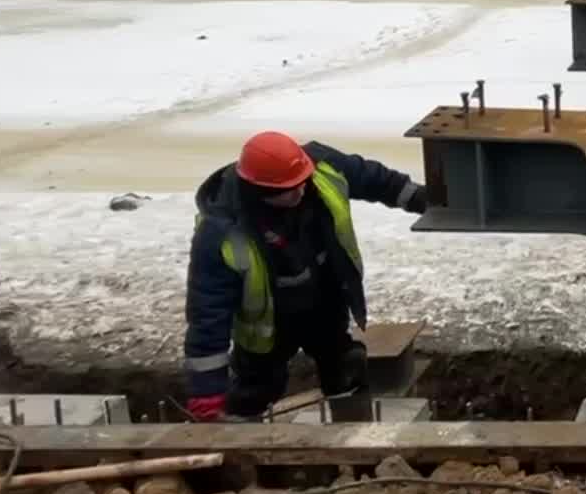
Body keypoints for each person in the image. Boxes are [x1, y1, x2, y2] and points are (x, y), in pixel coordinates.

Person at [184, 131, 429, 422]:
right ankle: (243, 453)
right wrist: (206, 392)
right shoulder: (220, 234)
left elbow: (376, 179)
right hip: (268, 326)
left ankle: (354, 440)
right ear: (260, 190)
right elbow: (208, 313)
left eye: (303, 182)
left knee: (346, 367)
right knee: (255, 389)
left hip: (323, 302)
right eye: (288, 190)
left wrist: (424, 199)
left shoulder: (319, 166)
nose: (300, 192)